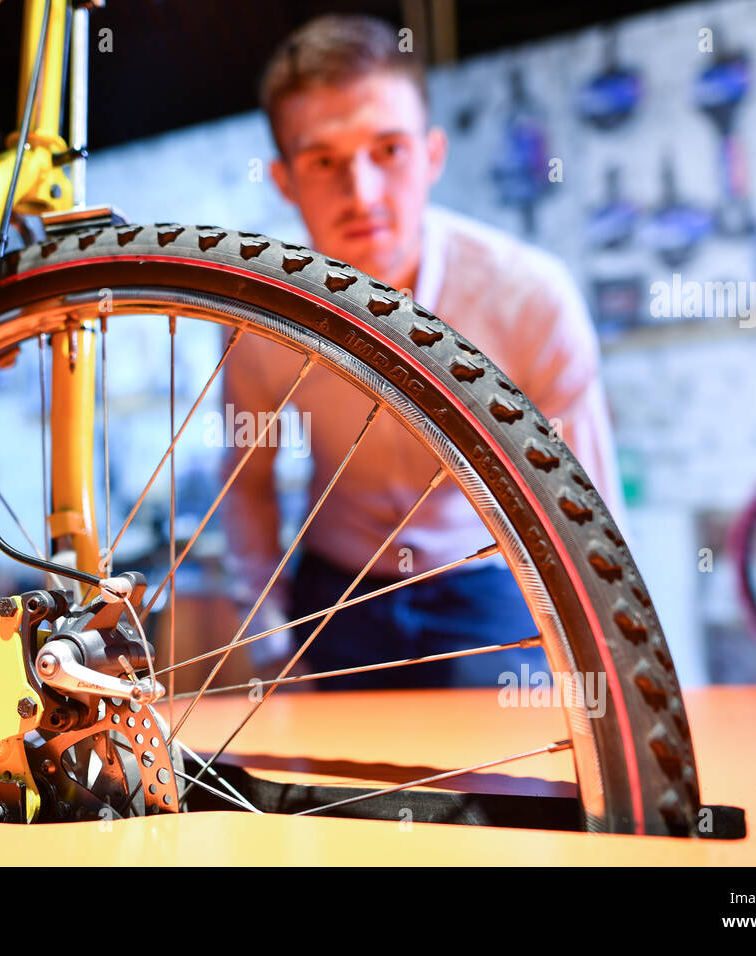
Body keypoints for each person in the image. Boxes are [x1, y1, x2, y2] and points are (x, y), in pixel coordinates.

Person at [220, 14, 624, 690]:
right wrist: (265, 642)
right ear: (285, 180)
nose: (363, 194)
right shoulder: (256, 315)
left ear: (433, 154)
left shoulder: (530, 297)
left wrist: (606, 666)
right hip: (335, 592)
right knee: (326, 789)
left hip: (484, 580)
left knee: (512, 792)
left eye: (389, 150)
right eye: (324, 161)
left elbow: (588, 501)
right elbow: (246, 484)